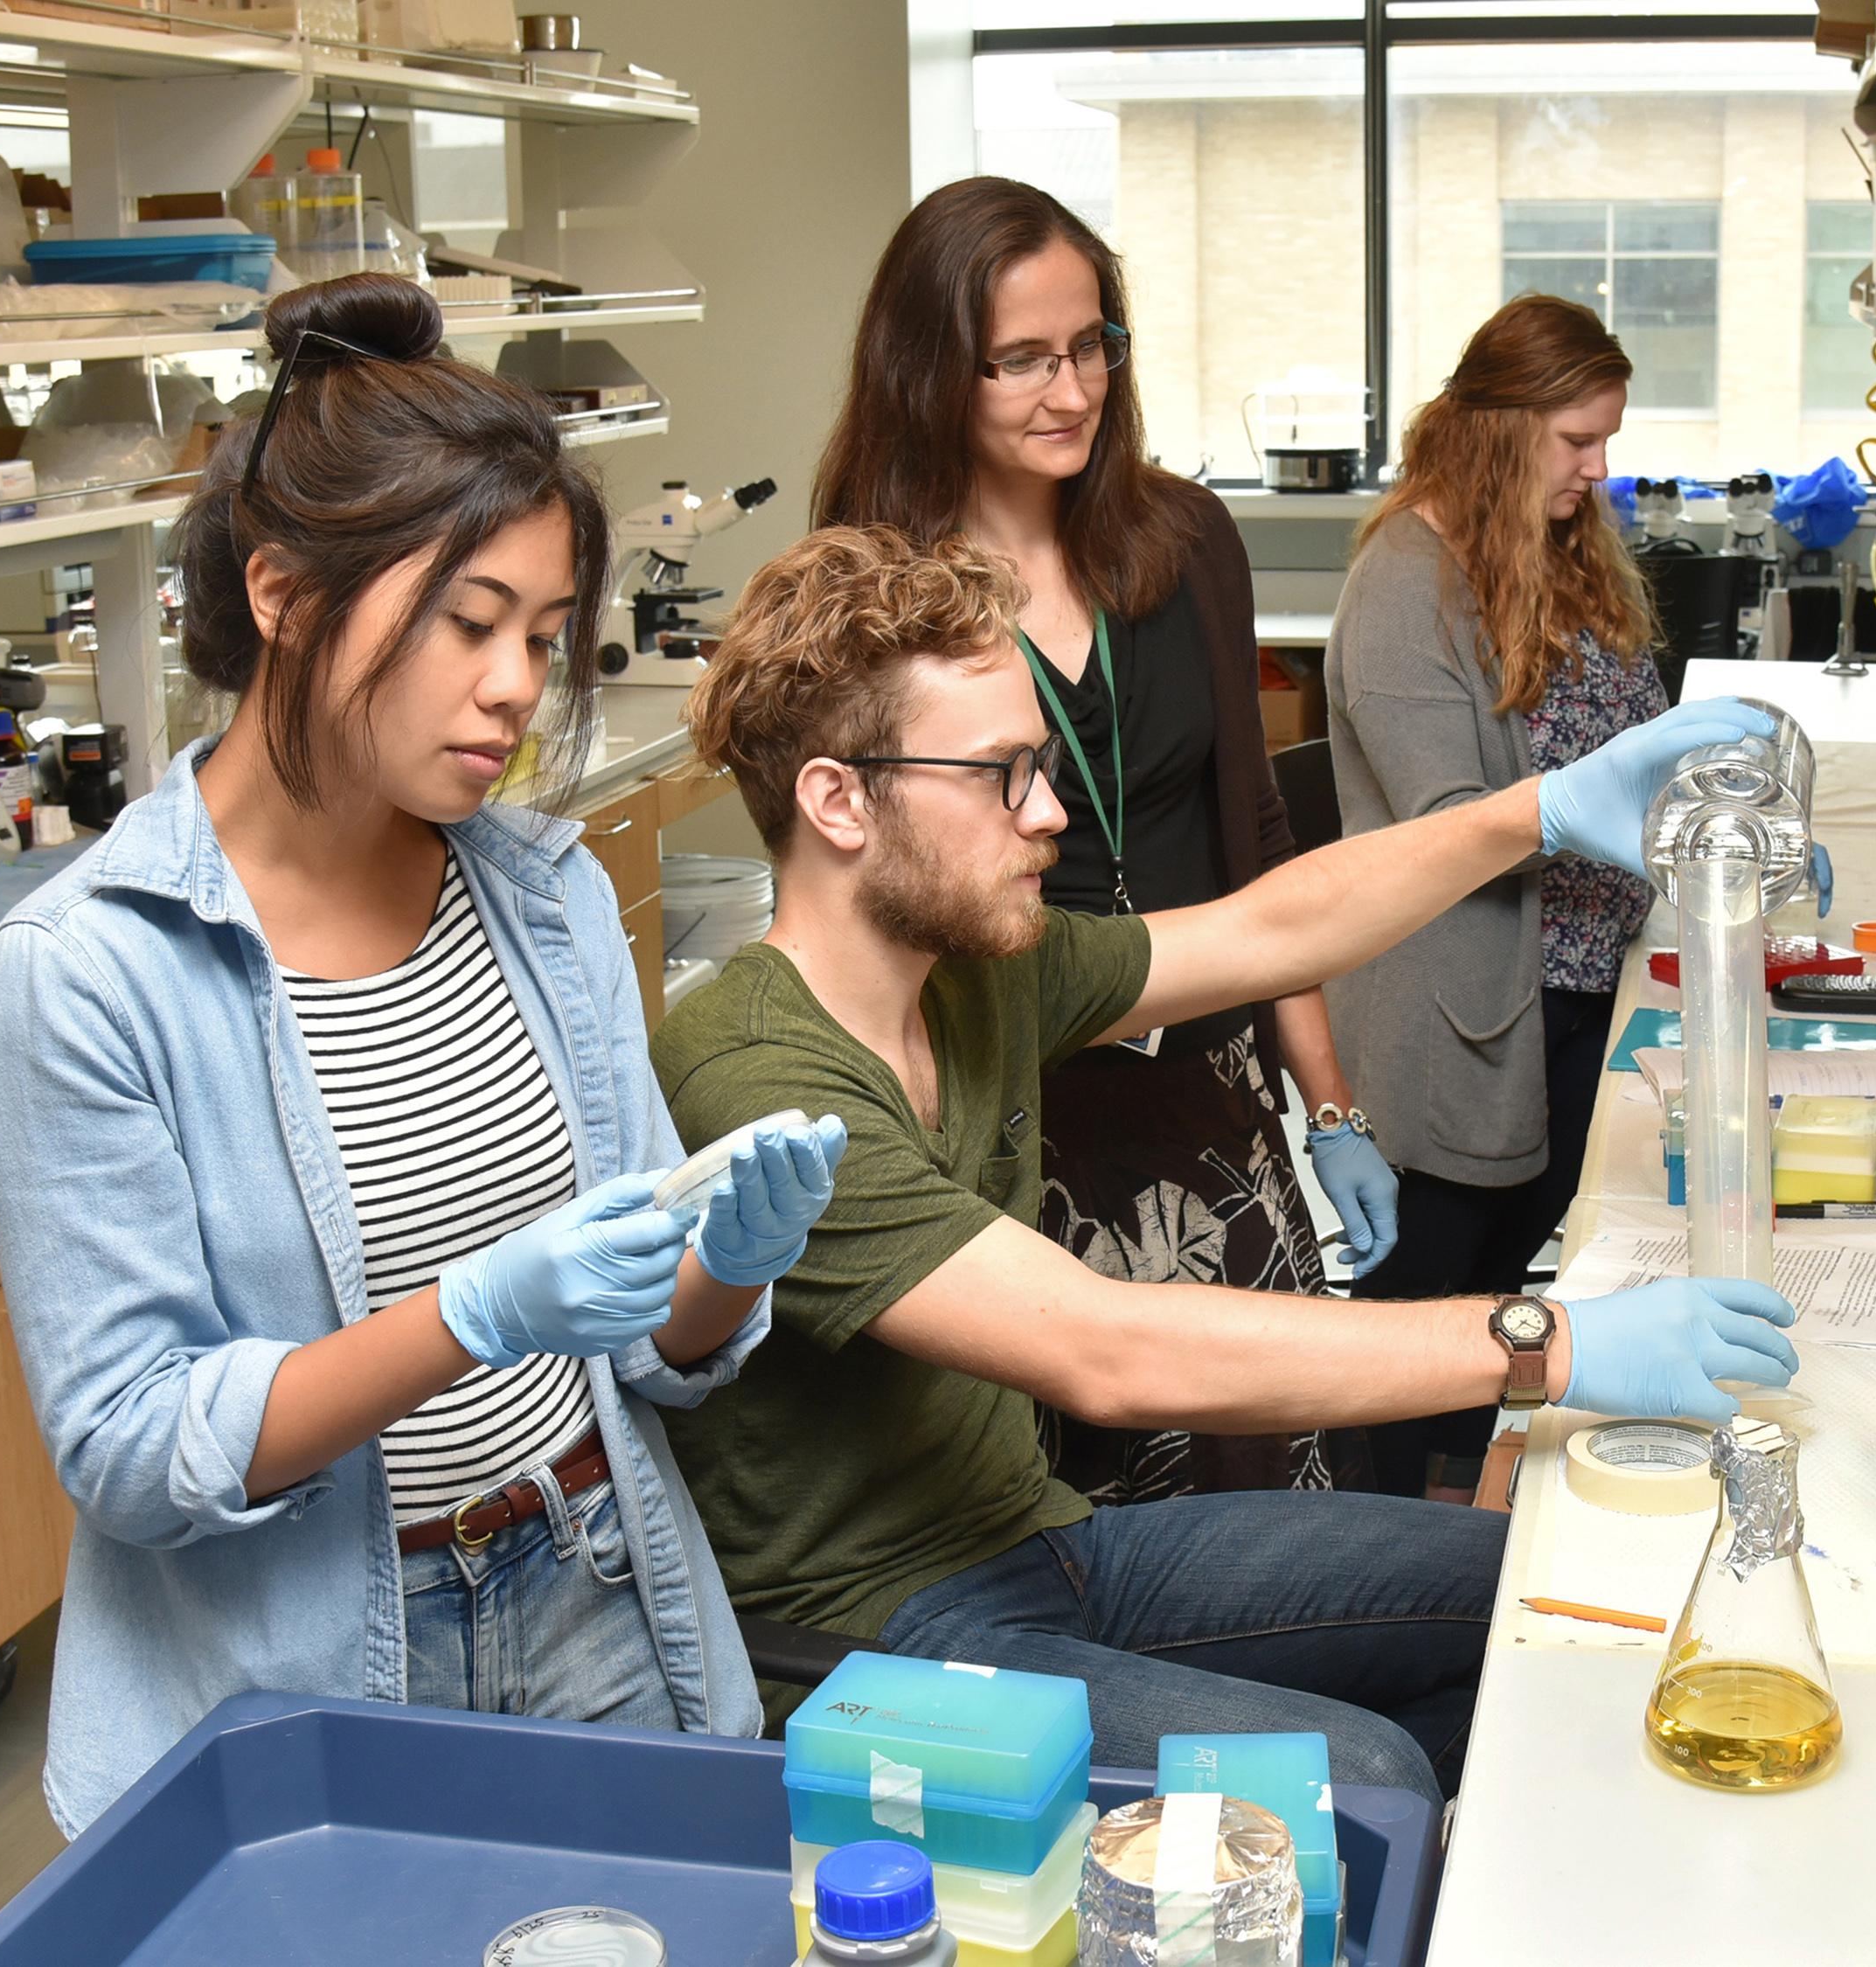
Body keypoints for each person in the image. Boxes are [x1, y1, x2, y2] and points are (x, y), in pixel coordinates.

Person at [650, 523, 1802, 1807]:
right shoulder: (754, 1070)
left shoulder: (977, 974)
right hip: (873, 1641)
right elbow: (1115, 1351)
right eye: (1001, 774)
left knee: (1534, 1597)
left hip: (1042, 1546)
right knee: (1362, 1782)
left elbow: (1267, 927)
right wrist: (1546, 1341)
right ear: (838, 799)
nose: (1050, 809)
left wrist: (1536, 812)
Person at [0, 275, 841, 1837]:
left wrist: (723, 1275)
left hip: (593, 1594)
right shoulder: (84, 975)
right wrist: (471, 1314)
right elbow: (137, 1445)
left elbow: (642, 1350)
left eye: (544, 633)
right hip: (296, 1676)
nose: (514, 685)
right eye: (469, 621)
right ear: (285, 592)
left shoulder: (544, 895)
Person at [809, 177, 1393, 1503]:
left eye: (1091, 348)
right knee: (1081, 1525)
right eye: (1021, 359)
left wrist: (1332, 1105)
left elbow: (1255, 840)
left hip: (1212, 1097)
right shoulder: (878, 586)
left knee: (1270, 1497)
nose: (1070, 390)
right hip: (1020, 1106)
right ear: (928, 370)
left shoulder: (1183, 540)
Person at [1324, 295, 1831, 1501]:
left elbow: (1632, 746)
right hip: (1460, 1018)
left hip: (1570, 991)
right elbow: (1457, 822)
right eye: (1576, 441)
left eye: (1606, 438)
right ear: (1496, 432)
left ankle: (1459, 1509)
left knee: (1500, 1291)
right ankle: (1390, 1544)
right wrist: (1641, 823)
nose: (1599, 466)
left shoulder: (1557, 549)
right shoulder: (1407, 585)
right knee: (1425, 1325)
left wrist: (1739, 804)